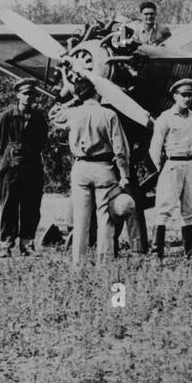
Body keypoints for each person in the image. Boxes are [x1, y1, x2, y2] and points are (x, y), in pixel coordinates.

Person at [62, 76, 132, 265]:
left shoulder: (73, 113)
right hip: (104, 168)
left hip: (81, 167)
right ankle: (104, 264)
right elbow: (120, 150)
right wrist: (124, 175)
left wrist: (75, 98)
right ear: (97, 93)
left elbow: (53, 114)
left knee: (80, 221)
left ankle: (78, 264)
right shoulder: (109, 115)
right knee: (105, 219)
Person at [0, 78, 49, 257]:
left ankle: (27, 244)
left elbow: (42, 142)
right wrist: (9, 159)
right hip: (10, 168)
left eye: (32, 94)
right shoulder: (6, 117)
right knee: (9, 206)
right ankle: (6, 245)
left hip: (32, 168)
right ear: (17, 95)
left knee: (31, 206)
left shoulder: (39, 117)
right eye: (25, 94)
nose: (28, 97)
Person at [148, 78, 192, 259]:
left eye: (190, 96)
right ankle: (157, 253)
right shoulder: (165, 118)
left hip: (190, 165)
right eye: (183, 95)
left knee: (189, 208)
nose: (187, 99)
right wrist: (161, 167)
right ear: (175, 96)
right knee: (164, 207)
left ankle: (191, 252)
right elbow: (155, 148)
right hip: (172, 164)